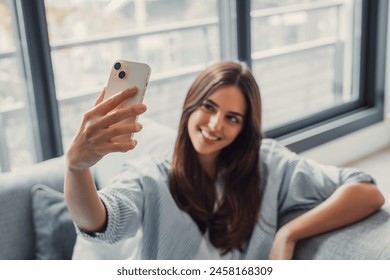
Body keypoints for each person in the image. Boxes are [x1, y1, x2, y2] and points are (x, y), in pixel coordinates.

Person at [65, 61, 385, 260]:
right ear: (190, 104)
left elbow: (366, 190)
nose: (216, 124)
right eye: (209, 106)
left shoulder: (269, 165)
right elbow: (100, 223)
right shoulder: (151, 175)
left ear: (245, 127)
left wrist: (288, 234)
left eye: (232, 118)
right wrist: (77, 168)